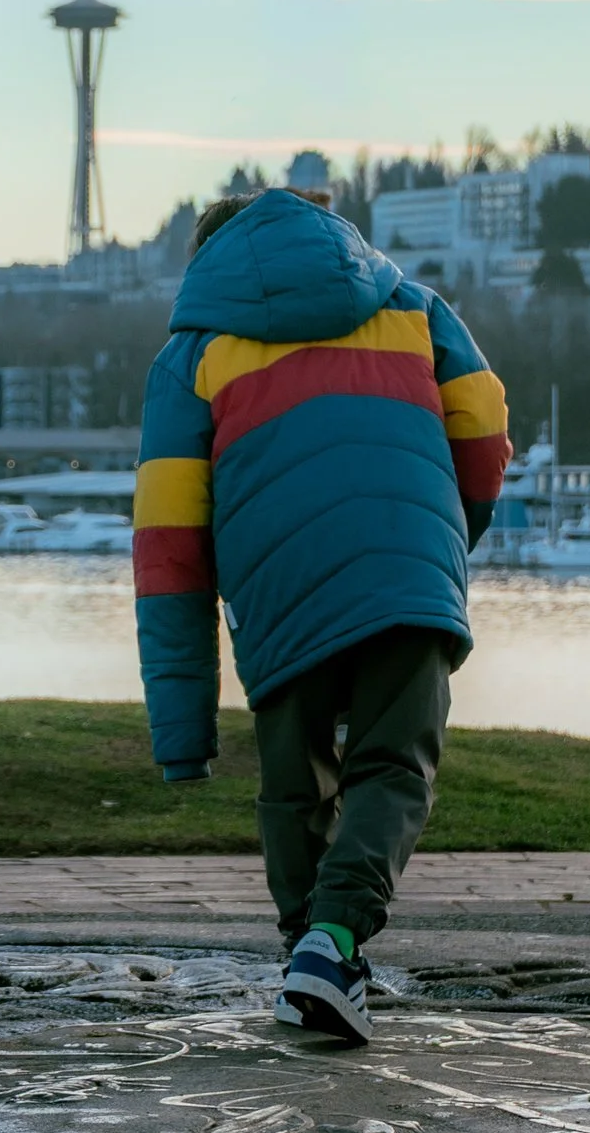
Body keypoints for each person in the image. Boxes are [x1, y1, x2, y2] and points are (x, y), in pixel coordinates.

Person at [132, 187, 509, 1042]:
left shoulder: (191, 357)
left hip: (277, 585)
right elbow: (483, 424)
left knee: (295, 783)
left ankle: (314, 953)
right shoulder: (413, 308)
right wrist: (449, 534)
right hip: (407, 564)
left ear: (207, 261)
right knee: (392, 766)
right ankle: (328, 954)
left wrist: (182, 735)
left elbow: (169, 546)